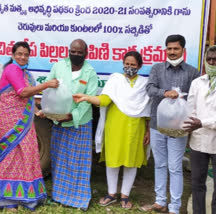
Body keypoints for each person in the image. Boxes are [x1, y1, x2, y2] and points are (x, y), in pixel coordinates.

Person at [73, 51, 151, 210]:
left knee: (131, 163)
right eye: (127, 64)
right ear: (123, 64)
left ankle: (125, 196)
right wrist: (87, 98)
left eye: (133, 65)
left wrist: (148, 131)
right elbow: (104, 100)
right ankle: (111, 194)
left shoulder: (144, 84)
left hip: (136, 129)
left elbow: (148, 111)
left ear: (140, 66)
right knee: (113, 161)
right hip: (115, 127)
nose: (129, 67)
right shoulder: (115, 79)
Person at [140, 34, 199, 214]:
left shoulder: (192, 72)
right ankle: (160, 201)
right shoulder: (157, 69)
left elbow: (196, 97)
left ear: (183, 50)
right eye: (169, 49)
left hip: (179, 127)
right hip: (158, 124)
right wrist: (165, 92)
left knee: (174, 166)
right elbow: (149, 89)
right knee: (159, 164)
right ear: (165, 50)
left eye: (176, 49)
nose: (172, 52)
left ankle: (174, 206)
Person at [0, 42, 58, 210]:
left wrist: (38, 111)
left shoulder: (25, 73)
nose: (22, 57)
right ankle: (7, 198)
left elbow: (28, 98)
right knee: (11, 155)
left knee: (25, 154)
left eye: (26, 54)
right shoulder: (12, 69)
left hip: (23, 120)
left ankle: (21, 196)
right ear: (12, 55)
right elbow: (23, 92)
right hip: (10, 121)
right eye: (19, 54)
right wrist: (47, 84)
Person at [183, 45, 216, 214]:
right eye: (209, 59)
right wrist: (190, 127)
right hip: (198, 141)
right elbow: (190, 109)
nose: (212, 62)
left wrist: (203, 122)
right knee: (197, 183)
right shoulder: (197, 83)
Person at [44, 39, 98, 210]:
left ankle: (78, 199)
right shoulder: (59, 66)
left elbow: (88, 100)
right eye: (73, 51)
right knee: (59, 159)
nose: (75, 54)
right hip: (58, 120)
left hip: (79, 123)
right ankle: (59, 196)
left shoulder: (90, 73)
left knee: (78, 162)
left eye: (79, 52)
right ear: (69, 51)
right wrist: (50, 109)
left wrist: (72, 116)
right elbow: (48, 86)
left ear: (86, 53)